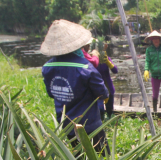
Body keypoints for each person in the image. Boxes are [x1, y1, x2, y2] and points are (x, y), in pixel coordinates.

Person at [40, 19, 109, 152]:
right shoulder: (85, 67)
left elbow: (51, 93)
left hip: (66, 124)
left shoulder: (47, 67)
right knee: (101, 155)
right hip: (89, 123)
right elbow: (102, 93)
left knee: (78, 156)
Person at [85, 45, 118, 120]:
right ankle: (101, 122)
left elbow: (115, 71)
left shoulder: (105, 59)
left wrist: (108, 62)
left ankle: (110, 121)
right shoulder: (91, 61)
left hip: (108, 86)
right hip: (97, 88)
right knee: (100, 110)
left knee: (110, 109)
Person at [143, 31, 161, 113]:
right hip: (155, 75)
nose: (156, 41)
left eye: (157, 39)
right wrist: (146, 70)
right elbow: (147, 61)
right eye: (154, 39)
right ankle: (155, 112)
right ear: (151, 40)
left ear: (160, 40)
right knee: (155, 94)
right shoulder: (149, 50)